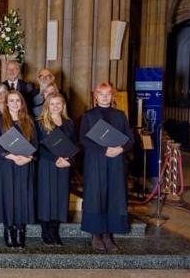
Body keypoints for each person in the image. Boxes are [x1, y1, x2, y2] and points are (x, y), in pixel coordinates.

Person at [80, 83, 134, 252]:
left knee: (113, 195)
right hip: (96, 160)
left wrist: (120, 149)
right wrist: (104, 149)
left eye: (108, 94)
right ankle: (96, 234)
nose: (104, 97)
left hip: (115, 161)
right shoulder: (88, 116)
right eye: (101, 94)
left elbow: (130, 140)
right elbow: (83, 139)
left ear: (112, 96)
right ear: (95, 96)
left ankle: (108, 235)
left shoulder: (120, 115)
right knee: (96, 196)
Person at [0, 90, 37, 248]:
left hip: (25, 164)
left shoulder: (29, 120)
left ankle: (20, 230)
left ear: (22, 103)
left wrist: (28, 158)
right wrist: (11, 156)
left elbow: (35, 144)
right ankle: (8, 229)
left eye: (18, 100)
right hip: (7, 164)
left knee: (22, 197)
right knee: (8, 197)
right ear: (6, 103)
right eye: (11, 100)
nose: (15, 103)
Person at [36, 93, 76, 246]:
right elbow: (37, 146)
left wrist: (69, 160)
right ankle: (45, 232)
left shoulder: (69, 123)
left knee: (60, 198)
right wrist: (55, 159)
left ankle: (55, 231)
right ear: (47, 106)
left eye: (58, 103)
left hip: (64, 164)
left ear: (63, 105)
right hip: (47, 164)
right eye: (52, 104)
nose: (55, 106)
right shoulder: (40, 123)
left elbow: (74, 145)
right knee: (46, 198)